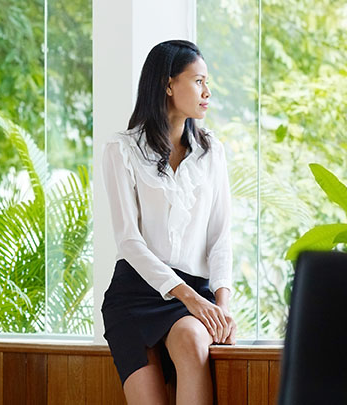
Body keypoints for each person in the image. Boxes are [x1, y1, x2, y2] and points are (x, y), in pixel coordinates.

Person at [101, 39, 236, 405]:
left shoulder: (213, 152)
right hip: (135, 294)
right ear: (168, 84)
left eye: (207, 83)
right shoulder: (122, 149)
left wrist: (220, 309)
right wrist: (190, 298)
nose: (207, 92)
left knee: (193, 341)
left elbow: (220, 238)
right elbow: (129, 242)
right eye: (198, 81)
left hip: (194, 297)